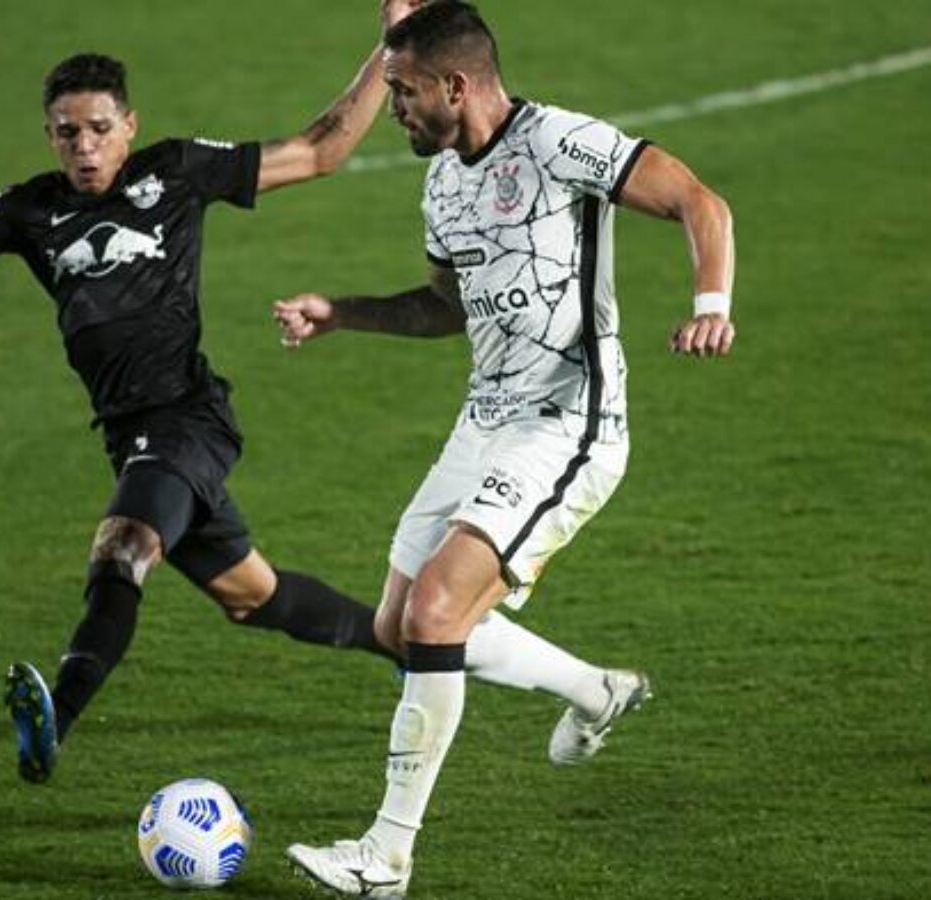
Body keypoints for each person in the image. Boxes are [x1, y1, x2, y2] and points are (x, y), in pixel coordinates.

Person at [0, 0, 426, 785]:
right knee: (254, 597)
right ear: (50, 137)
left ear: (129, 126)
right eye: (68, 132)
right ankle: (408, 646)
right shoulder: (30, 210)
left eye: (100, 128)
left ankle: (53, 721)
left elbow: (321, 150)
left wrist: (390, 45)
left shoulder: (175, 171)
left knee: (123, 549)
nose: (86, 146)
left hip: (186, 420)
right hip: (128, 436)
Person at [274, 2, 736, 895]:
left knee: (439, 614)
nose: (394, 108)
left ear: (456, 84)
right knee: (395, 626)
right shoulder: (443, 181)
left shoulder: (557, 141)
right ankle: (595, 689)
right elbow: (445, 307)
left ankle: (386, 856)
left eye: (403, 91)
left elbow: (697, 199)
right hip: (483, 422)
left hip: (569, 425)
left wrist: (711, 307)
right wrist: (344, 313)